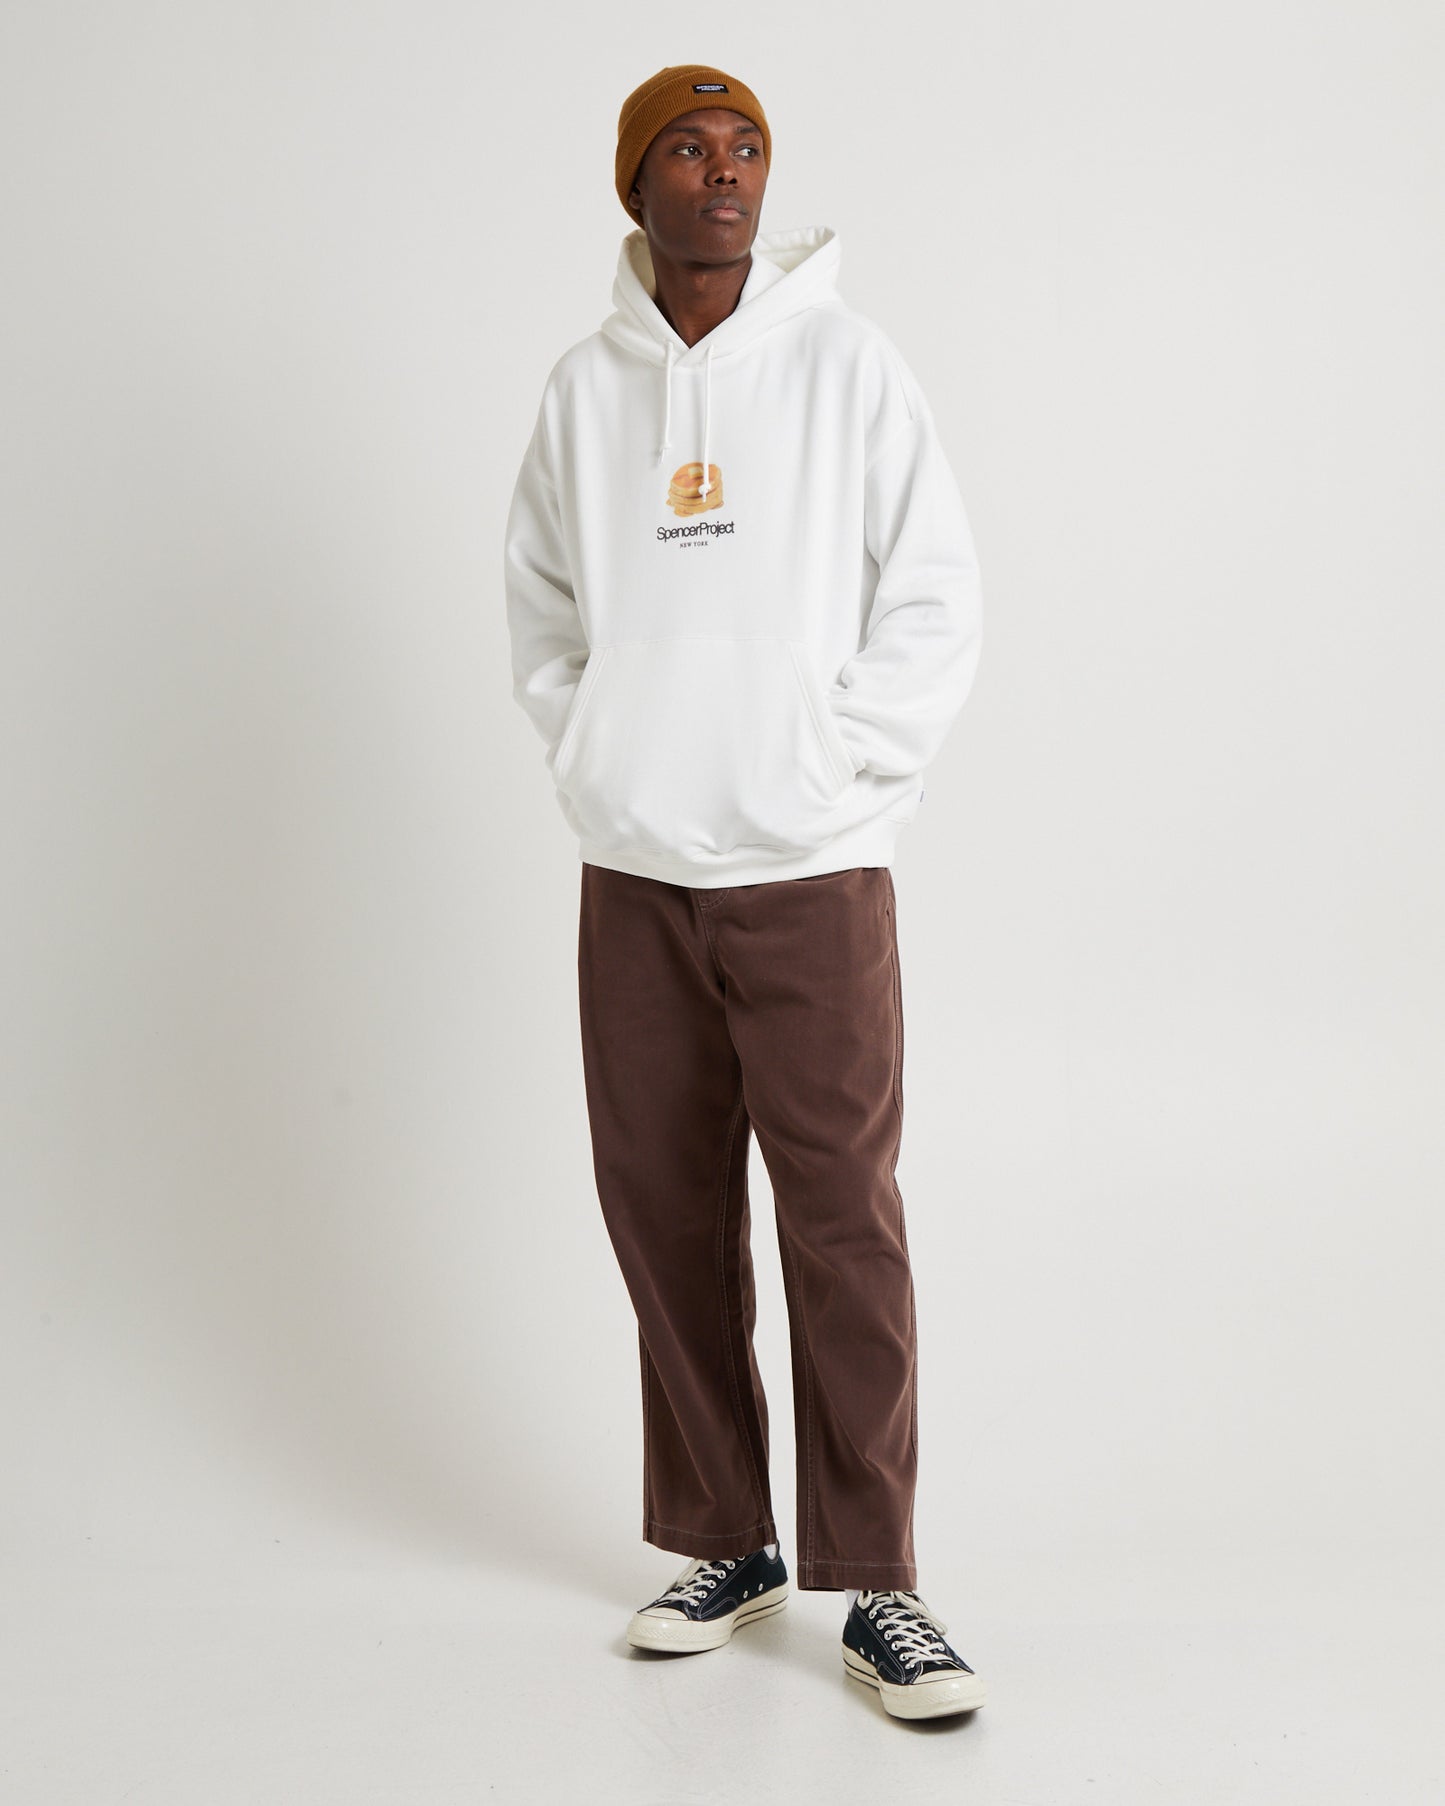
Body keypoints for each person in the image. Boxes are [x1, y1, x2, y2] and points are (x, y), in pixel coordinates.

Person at [503, 63, 987, 1721]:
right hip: (635, 871)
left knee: (839, 1213)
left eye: (748, 149)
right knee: (664, 1210)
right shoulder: (584, 390)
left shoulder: (848, 366)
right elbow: (541, 607)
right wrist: (602, 762)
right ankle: (723, 1536)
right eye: (689, 151)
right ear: (632, 185)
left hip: (810, 871)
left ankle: (880, 1580)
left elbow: (935, 594)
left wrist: (838, 771)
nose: (725, 176)